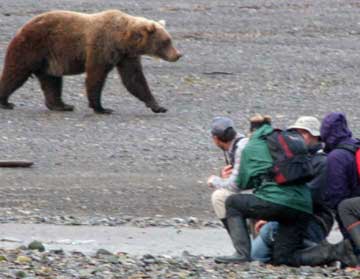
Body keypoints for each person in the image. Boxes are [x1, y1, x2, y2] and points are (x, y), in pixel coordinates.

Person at [214, 114, 314, 265]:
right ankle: (338, 252)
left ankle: (242, 254)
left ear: (252, 131)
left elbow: (239, 184)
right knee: (284, 258)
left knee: (233, 203)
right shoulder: (284, 140)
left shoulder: (252, 145)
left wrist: (219, 180)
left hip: (278, 202)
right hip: (303, 205)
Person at [251, 116, 334, 263]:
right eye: (295, 133)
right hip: (293, 215)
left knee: (267, 236)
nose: (297, 138)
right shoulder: (295, 160)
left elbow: (309, 199)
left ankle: (328, 253)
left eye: (302, 133)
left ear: (314, 136)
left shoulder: (323, 162)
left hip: (314, 220)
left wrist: (273, 215)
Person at [320, 112, 360, 263]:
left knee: (344, 207)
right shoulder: (356, 145)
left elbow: (336, 194)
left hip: (352, 208)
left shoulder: (336, 156)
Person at [207, 116, 248, 229]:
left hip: (262, 196)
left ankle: (243, 244)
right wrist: (227, 178)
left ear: (215, 138)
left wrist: (215, 181)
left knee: (218, 197)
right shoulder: (242, 143)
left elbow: (235, 186)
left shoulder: (240, 149)